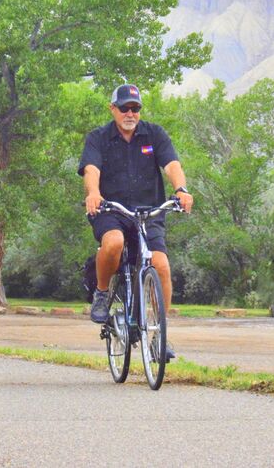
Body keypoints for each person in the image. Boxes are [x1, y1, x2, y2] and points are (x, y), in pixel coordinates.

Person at [80, 84, 193, 356]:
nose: (130, 113)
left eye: (135, 108)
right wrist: (94, 193)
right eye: (124, 108)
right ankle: (102, 293)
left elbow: (172, 165)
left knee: (161, 265)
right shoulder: (98, 138)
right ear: (113, 109)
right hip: (111, 210)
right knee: (114, 243)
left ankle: (158, 336)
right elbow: (91, 169)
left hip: (148, 212)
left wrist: (181, 189)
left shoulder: (154, 134)